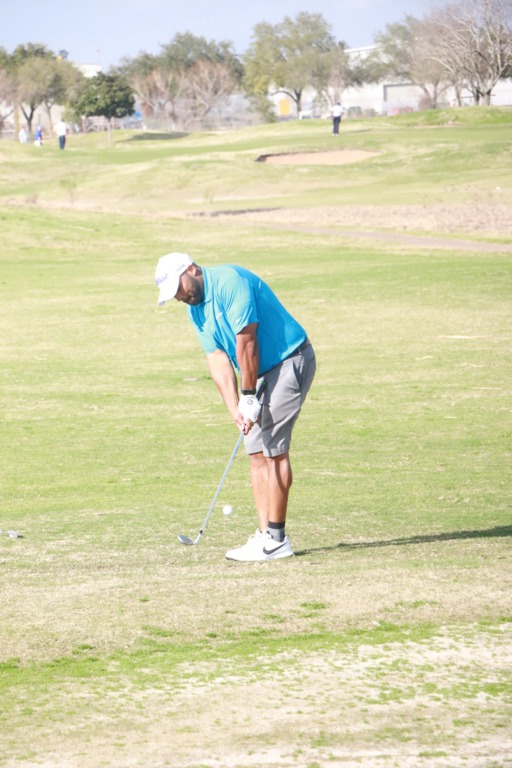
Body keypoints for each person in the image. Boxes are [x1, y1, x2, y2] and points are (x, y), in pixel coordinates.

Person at [155, 253, 316, 562]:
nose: (179, 297)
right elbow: (217, 358)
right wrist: (235, 408)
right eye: (173, 294)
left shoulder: (230, 282)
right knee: (255, 451)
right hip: (258, 373)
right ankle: (265, 535)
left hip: (289, 360)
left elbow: (247, 341)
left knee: (273, 449)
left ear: (192, 269)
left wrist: (248, 394)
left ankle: (277, 540)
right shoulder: (195, 310)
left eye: (179, 288)